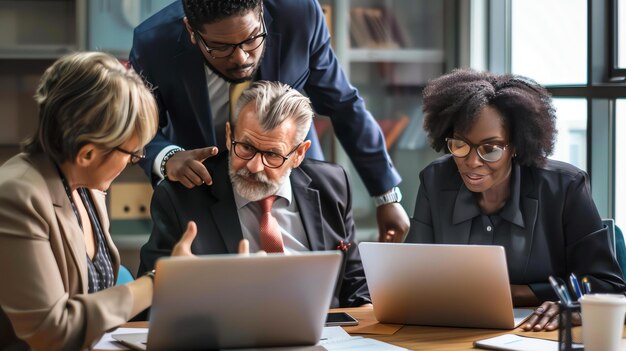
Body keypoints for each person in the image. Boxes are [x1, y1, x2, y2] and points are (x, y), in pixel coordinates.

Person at [129, 0, 409, 242]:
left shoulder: (299, 15)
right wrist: (166, 159)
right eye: (220, 47)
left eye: (251, 39)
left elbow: (343, 105)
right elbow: (137, 127)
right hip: (204, 198)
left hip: (292, 184)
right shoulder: (154, 44)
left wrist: (385, 195)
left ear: (261, 10)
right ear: (191, 30)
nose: (241, 58)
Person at [0, 52, 198, 351]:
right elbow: (51, 333)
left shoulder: (85, 186)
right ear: (87, 153)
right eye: (131, 154)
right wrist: (160, 281)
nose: (134, 161)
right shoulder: (16, 196)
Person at [404, 69, 626, 331]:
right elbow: (412, 280)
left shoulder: (566, 187)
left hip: (537, 336)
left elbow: (608, 287)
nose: (472, 162)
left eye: (490, 149)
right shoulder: (435, 180)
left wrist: (541, 298)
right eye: (460, 145)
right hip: (451, 333)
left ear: (517, 146)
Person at [139, 80, 371, 307]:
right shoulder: (180, 197)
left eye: (272, 155)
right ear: (229, 136)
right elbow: (148, 306)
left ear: (299, 154)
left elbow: (355, 283)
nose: (253, 166)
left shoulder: (332, 185)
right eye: (246, 147)